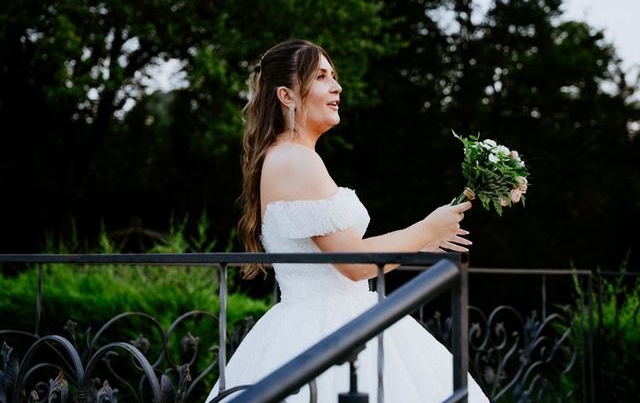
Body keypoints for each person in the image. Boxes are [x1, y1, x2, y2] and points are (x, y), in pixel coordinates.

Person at [205, 39, 488, 402]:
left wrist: (420, 242)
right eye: (321, 77)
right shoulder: (296, 160)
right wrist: (426, 227)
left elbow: (350, 257)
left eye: (333, 76)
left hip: (324, 318)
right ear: (287, 96)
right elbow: (354, 264)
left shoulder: (288, 156)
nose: (337, 87)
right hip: (329, 332)